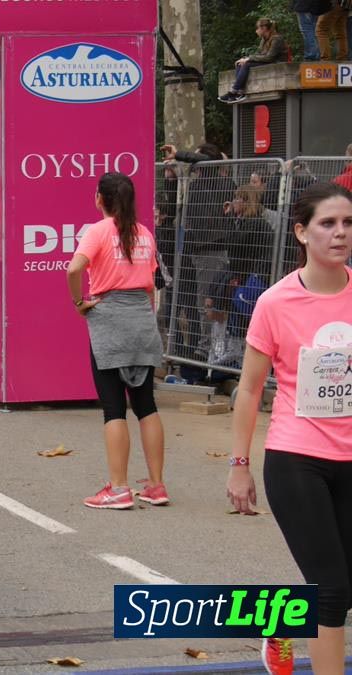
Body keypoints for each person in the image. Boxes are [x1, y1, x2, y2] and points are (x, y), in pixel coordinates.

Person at [227, 182, 352, 675]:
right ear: (301, 232)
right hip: (297, 458)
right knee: (332, 590)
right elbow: (251, 389)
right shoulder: (276, 303)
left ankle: (277, 623)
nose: (339, 233)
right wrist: (239, 466)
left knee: (346, 585)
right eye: (327, 223)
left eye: (347, 223)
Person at [66, 172, 168, 510]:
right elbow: (152, 285)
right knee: (146, 404)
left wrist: (79, 302)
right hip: (141, 317)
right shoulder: (145, 234)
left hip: (109, 317)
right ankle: (156, 485)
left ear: (100, 199)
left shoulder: (97, 231)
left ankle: (119, 487)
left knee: (113, 407)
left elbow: (73, 269)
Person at [219, 18, 286, 104]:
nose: (256, 31)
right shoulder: (264, 40)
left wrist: (249, 59)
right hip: (267, 61)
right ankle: (238, 92)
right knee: (241, 64)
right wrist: (246, 59)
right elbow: (259, 54)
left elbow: (270, 57)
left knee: (246, 64)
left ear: (264, 28)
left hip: (276, 63)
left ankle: (234, 91)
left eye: (257, 28)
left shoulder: (276, 39)